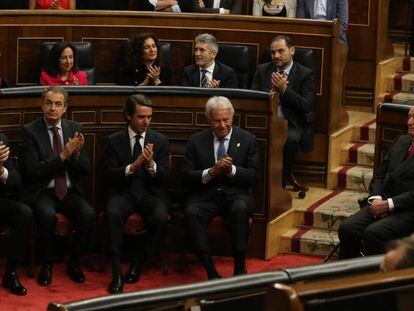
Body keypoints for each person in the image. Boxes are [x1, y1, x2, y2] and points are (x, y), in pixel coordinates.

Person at [21, 86, 95, 286]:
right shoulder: (30, 131)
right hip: (43, 191)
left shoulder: (74, 128)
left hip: (70, 191)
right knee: (46, 216)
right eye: (48, 103)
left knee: (87, 214)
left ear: (65, 108)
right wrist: (63, 155)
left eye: (58, 104)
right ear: (42, 105)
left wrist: (76, 155)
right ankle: (47, 265)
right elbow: (33, 170)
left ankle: (74, 263)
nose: (53, 108)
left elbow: (85, 169)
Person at [183, 96, 258, 279]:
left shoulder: (247, 139)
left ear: (233, 118)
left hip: (236, 194)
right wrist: (211, 172)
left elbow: (252, 176)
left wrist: (230, 169)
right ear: (208, 120)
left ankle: (239, 268)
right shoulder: (195, 141)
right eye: (217, 121)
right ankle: (210, 271)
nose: (223, 125)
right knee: (191, 213)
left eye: (226, 120)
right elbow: (186, 176)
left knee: (240, 209)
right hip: (206, 195)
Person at [104, 94, 169, 294]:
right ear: (128, 116)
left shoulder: (160, 140)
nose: (146, 121)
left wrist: (151, 166)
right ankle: (116, 271)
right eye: (141, 117)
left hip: (150, 193)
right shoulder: (113, 141)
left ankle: (138, 262)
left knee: (160, 217)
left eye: (149, 117)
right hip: (123, 193)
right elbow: (108, 174)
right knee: (112, 213)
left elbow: (165, 177)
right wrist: (132, 167)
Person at [339, 106, 414, 259]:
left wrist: (389, 204)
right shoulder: (401, 141)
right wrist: (376, 198)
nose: (409, 122)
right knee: (347, 228)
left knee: (373, 233)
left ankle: (376, 278)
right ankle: (348, 275)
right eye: (409, 117)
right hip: (381, 202)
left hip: (407, 210)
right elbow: (379, 175)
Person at [251, 35, 315, 187]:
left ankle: (279, 184)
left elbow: (306, 105)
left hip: (291, 123)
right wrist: (270, 93)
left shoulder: (306, 74)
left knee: (290, 141)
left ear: (292, 50)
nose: (276, 56)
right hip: (265, 121)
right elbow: (252, 98)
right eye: (273, 52)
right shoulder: (262, 70)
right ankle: (258, 181)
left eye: (281, 51)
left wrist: (285, 90)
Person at [0, 133, 32, 295]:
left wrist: (0, 169)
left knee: (23, 212)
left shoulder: (1, 141)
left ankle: (10, 273)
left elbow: (15, 180)